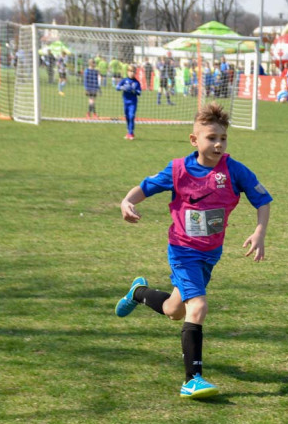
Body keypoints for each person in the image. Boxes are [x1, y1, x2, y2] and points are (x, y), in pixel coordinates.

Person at [115, 103, 274, 398]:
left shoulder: (234, 170)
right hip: (182, 250)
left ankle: (138, 293)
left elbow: (263, 200)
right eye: (211, 137)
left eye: (223, 138)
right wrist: (127, 201)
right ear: (194, 140)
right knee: (198, 307)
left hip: (209, 254)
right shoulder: (177, 170)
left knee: (174, 311)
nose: (218, 144)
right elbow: (146, 187)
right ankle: (193, 379)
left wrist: (259, 231)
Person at [116, 64, 142, 140]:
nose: (132, 73)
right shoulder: (124, 80)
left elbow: (139, 92)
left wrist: (133, 90)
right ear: (127, 72)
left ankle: (130, 133)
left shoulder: (136, 82)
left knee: (131, 116)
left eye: (133, 71)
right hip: (125, 102)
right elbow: (117, 87)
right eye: (130, 71)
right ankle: (129, 132)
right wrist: (123, 88)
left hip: (133, 102)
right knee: (127, 117)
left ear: (135, 73)